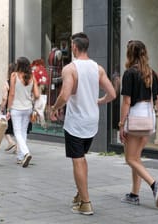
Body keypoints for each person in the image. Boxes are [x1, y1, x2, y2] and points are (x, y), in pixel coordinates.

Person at [50, 32, 116, 215]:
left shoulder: (70, 69)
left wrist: (54, 107)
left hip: (76, 122)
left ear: (74, 47)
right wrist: (99, 101)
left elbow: (64, 95)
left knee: (78, 160)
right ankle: (80, 194)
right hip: (92, 121)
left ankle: (86, 203)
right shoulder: (98, 68)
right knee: (82, 159)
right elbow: (112, 94)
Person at [119, 40, 158, 208]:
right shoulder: (152, 74)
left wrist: (121, 124)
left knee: (130, 158)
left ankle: (154, 184)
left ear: (130, 54)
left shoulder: (129, 74)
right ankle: (134, 194)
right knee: (136, 158)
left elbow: (126, 102)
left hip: (135, 119)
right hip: (148, 120)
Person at [6, 57, 40, 167]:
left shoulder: (14, 75)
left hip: (16, 108)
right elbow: (37, 95)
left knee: (17, 133)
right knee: (23, 132)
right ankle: (20, 157)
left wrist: (8, 108)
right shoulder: (32, 77)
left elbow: (11, 93)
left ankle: (26, 153)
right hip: (28, 108)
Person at [0, 63, 17, 152]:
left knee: (4, 126)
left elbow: (4, 98)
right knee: (18, 129)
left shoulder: (8, 82)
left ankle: (10, 142)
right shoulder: (21, 82)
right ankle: (17, 146)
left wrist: (2, 107)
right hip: (19, 107)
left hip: (10, 108)